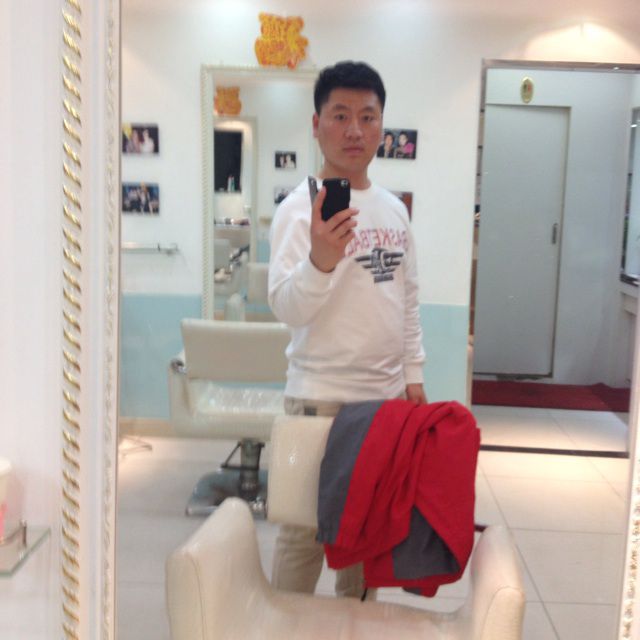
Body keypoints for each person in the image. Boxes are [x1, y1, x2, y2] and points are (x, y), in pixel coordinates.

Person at [268, 61, 427, 600]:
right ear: (316, 125)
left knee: (364, 539)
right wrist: (320, 260)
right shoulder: (297, 212)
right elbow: (287, 309)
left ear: (382, 125)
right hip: (317, 401)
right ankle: (287, 632)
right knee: (302, 538)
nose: (354, 130)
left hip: (382, 404)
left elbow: (407, 298)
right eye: (340, 115)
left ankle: (353, 631)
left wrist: (413, 373)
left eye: (367, 116)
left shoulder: (394, 211)